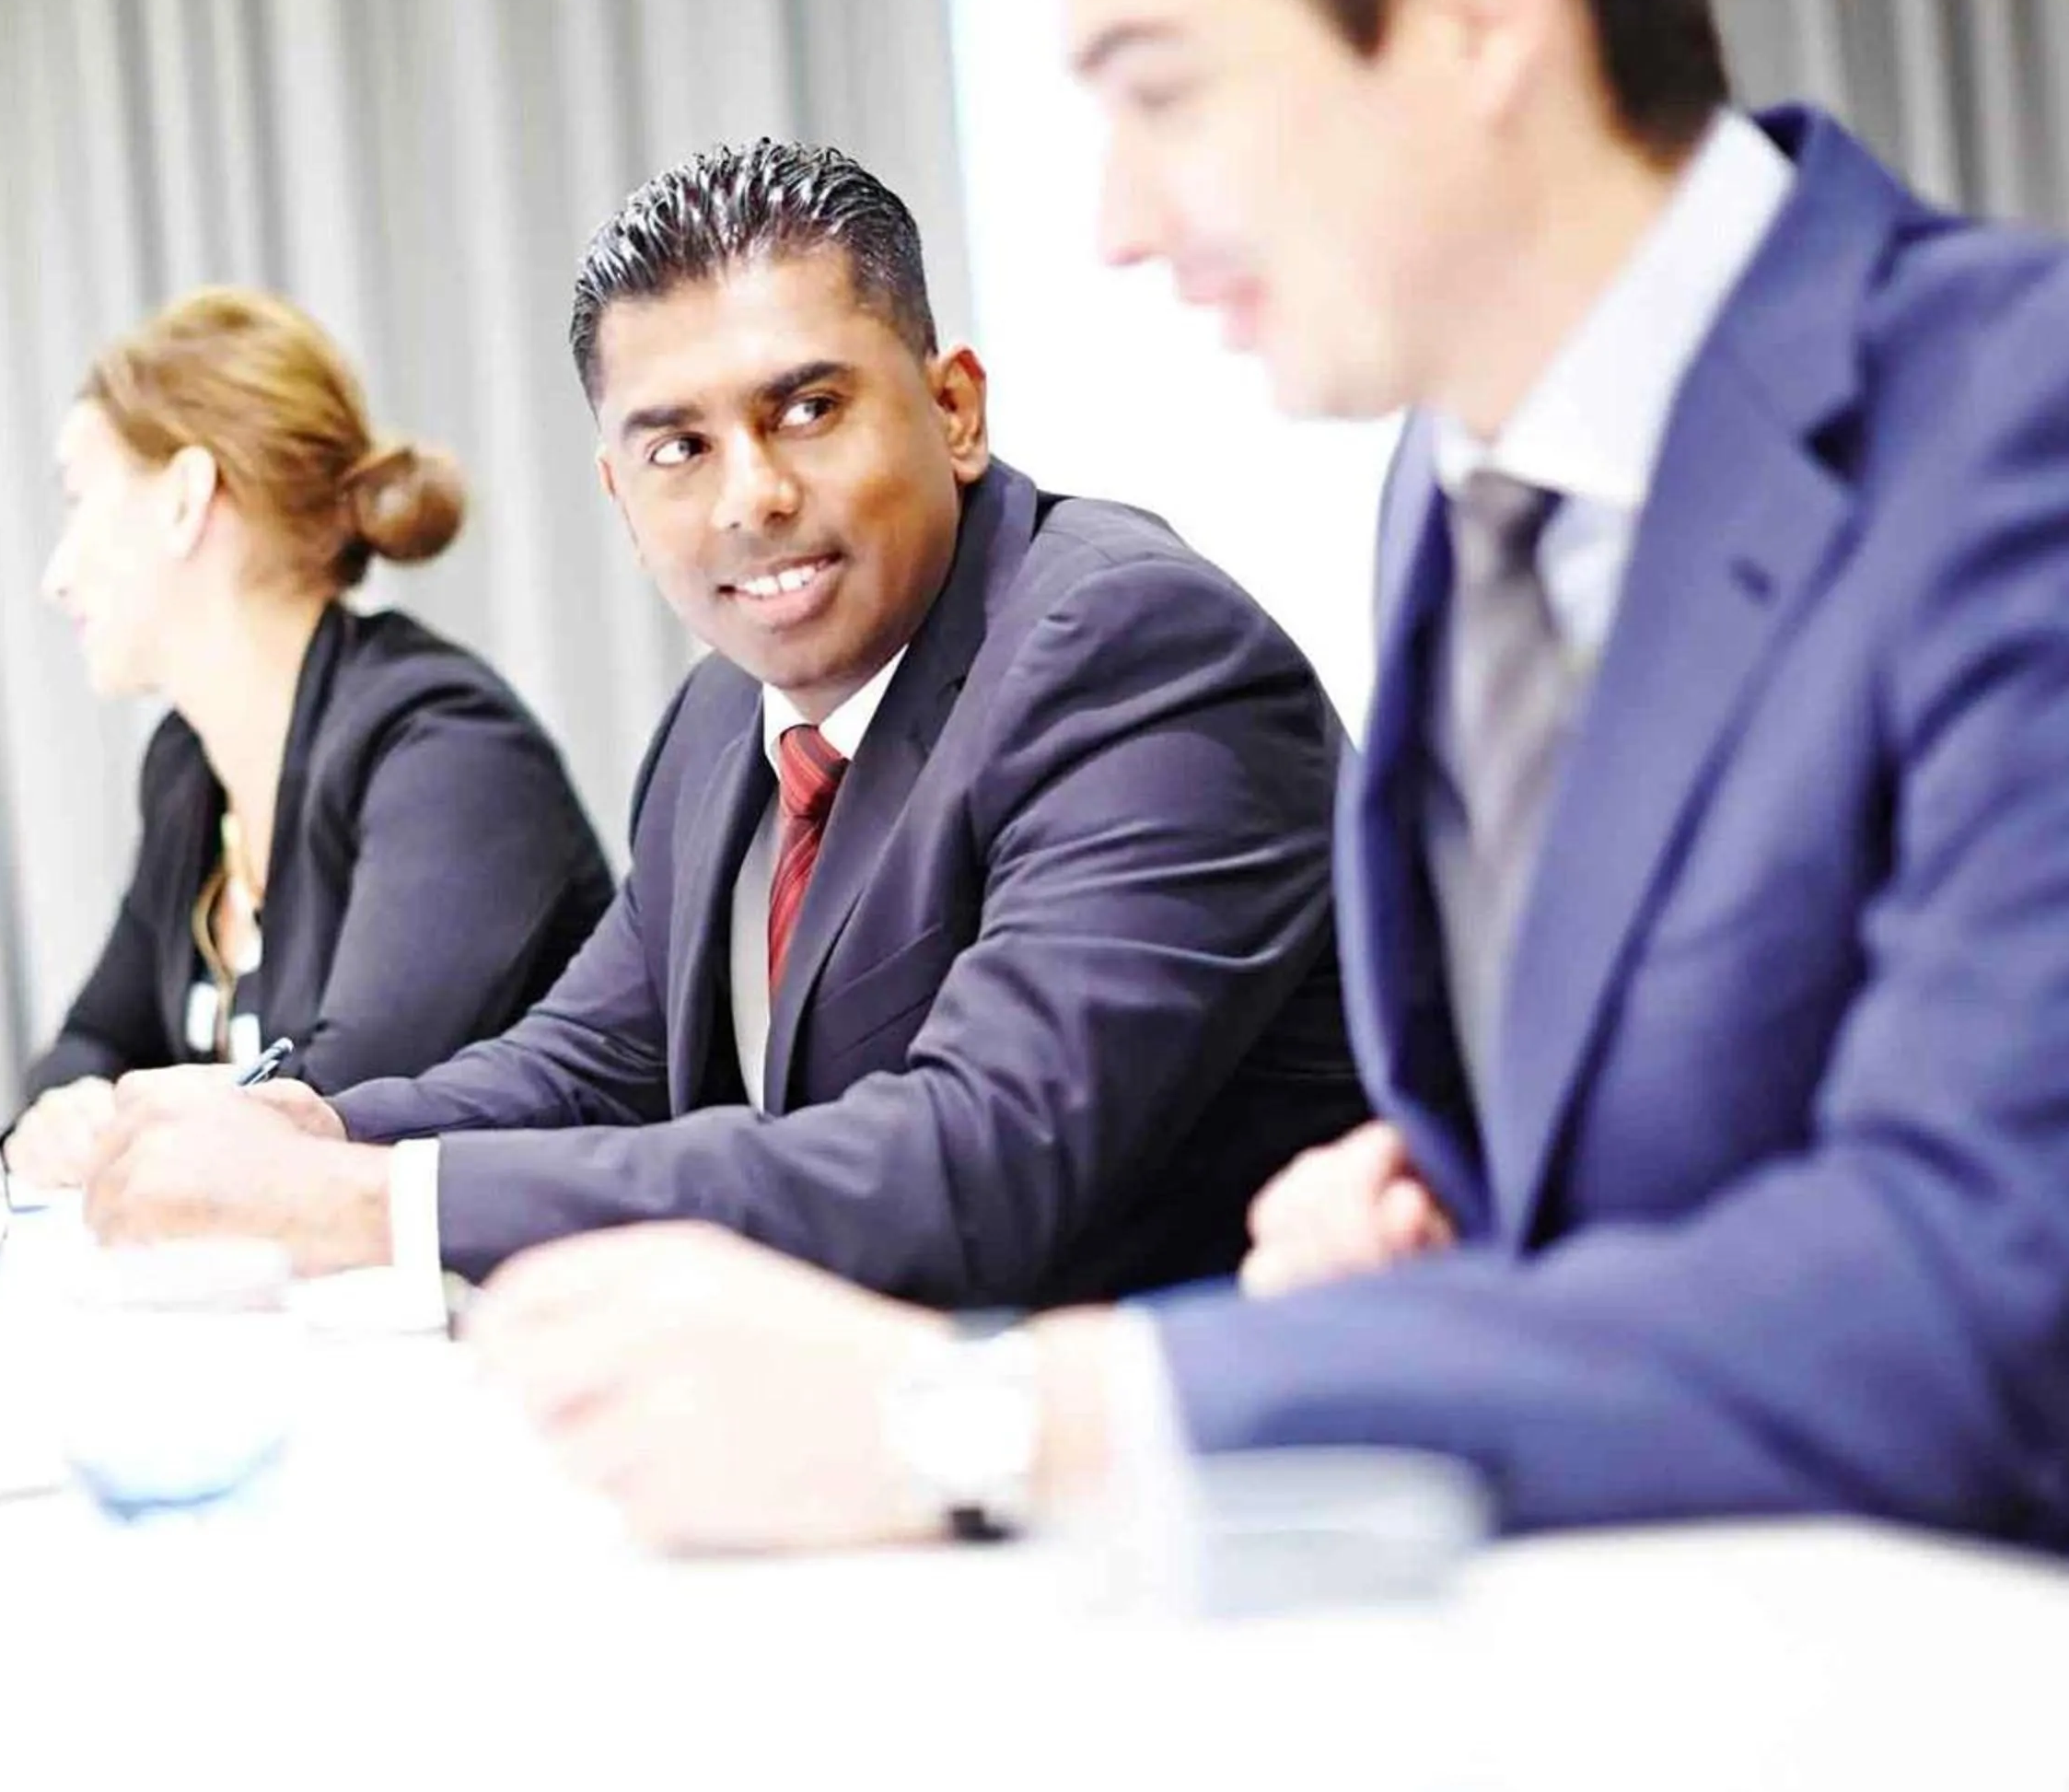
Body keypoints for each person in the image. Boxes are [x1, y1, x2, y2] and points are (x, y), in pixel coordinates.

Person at [459, 0, 2069, 1562]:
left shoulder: (2060, 421)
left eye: (1165, 92)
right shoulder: (1454, 488)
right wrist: (1444, 1203)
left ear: (1478, 7)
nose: (1118, 220)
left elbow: (2007, 1292)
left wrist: (1005, 1416)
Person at [83, 142, 1365, 1310]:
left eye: (807, 410)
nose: (751, 497)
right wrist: (315, 1129)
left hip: (1210, 1441)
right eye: (678, 449)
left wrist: (373, 1207)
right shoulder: (721, 716)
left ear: (955, 410)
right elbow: (592, 1061)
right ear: (618, 491)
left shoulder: (1130, 647)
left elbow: (977, 1161)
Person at [5, 288, 614, 1192]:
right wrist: (67, 1112)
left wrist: (118, 1126)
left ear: (185, 499)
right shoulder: (186, 769)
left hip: (522, 1270)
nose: (56, 577)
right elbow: (93, 1040)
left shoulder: (447, 751)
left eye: (78, 499)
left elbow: (339, 1112)